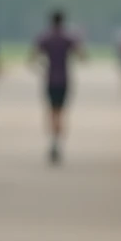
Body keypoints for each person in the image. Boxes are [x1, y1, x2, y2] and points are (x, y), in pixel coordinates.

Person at [31, 10, 85, 165]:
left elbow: (32, 58)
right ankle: (58, 142)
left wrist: (42, 67)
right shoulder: (68, 38)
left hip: (50, 79)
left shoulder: (45, 37)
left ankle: (52, 140)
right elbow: (82, 56)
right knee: (61, 113)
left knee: (51, 112)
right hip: (64, 79)